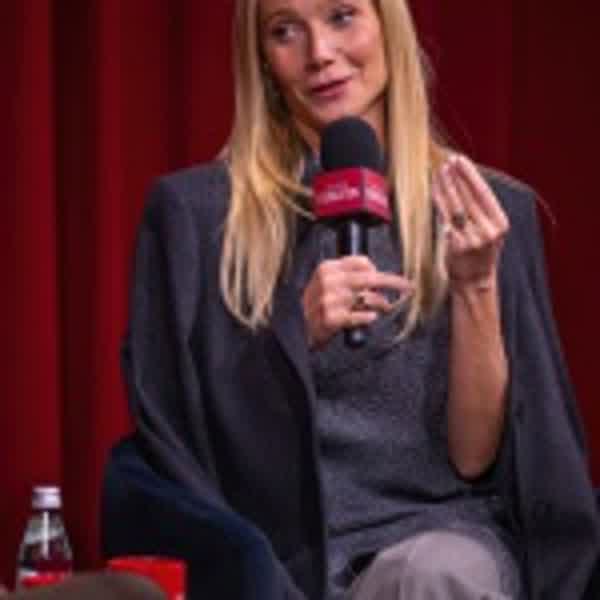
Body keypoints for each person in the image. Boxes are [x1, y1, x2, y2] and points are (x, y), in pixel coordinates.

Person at [121, 0, 600, 598]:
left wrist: (475, 285)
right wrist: (292, 338)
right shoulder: (199, 217)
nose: (319, 54)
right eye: (285, 31)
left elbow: (475, 459)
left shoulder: (484, 211)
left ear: (388, 26)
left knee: (433, 576)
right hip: (279, 560)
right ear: (262, 59)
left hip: (439, 542)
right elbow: (182, 443)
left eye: (342, 16)